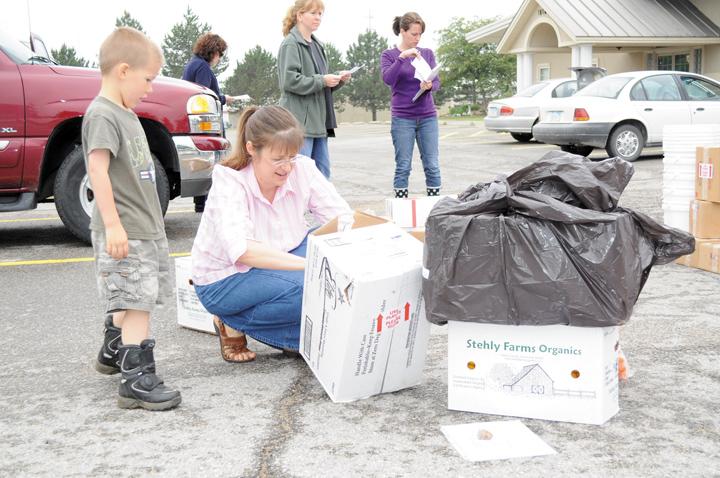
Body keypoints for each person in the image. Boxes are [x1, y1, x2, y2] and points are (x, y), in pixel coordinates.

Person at [191, 105, 351, 362]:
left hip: (282, 256)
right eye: (278, 159)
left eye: (292, 156)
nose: (287, 167)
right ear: (251, 149)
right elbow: (244, 251)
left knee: (335, 261)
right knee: (315, 288)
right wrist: (311, 267)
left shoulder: (303, 169)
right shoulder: (230, 182)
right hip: (226, 279)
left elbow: (342, 220)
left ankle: (295, 334)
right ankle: (231, 320)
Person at [86, 27, 181, 411]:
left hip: (145, 228)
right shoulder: (102, 114)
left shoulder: (124, 112)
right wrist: (112, 225)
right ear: (123, 70)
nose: (151, 88)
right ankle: (136, 379)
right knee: (139, 301)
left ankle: (113, 345)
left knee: (137, 294)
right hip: (126, 229)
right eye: (148, 79)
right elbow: (97, 169)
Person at [278, 0, 352, 179]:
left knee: (322, 177)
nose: (318, 17)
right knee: (300, 177)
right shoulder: (291, 44)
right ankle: (300, 209)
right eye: (313, 13)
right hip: (300, 124)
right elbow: (289, 81)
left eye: (320, 14)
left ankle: (318, 209)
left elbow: (318, 85)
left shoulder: (318, 46)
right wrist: (322, 80)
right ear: (300, 15)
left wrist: (337, 80)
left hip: (319, 123)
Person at [380, 12, 442, 199]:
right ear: (402, 31)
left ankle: (435, 207)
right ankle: (401, 209)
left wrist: (429, 86)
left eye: (420, 34)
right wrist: (402, 57)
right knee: (403, 165)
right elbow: (388, 79)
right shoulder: (389, 55)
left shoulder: (428, 54)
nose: (417, 38)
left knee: (432, 164)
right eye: (414, 34)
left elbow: (437, 82)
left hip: (427, 117)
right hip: (402, 119)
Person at [182, 33, 239, 213]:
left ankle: (201, 202)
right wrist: (223, 99)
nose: (219, 58)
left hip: (195, 122)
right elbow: (204, 95)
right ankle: (205, 202)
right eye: (220, 54)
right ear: (213, 51)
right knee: (212, 163)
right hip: (206, 123)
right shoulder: (203, 68)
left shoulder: (193, 64)